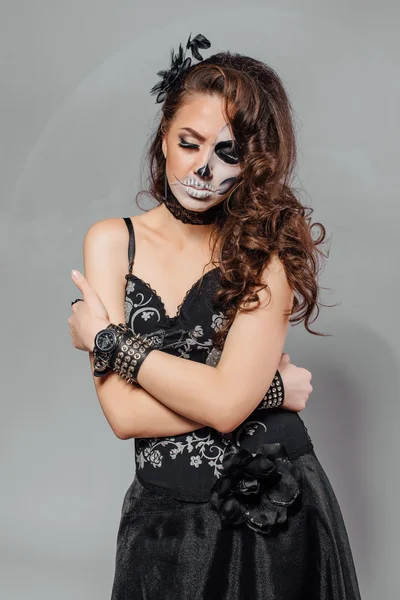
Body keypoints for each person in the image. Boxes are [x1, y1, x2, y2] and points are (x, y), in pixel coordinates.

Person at [68, 34, 362, 599]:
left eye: (228, 152)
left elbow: (228, 408)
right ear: (163, 137)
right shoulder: (111, 242)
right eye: (189, 142)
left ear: (253, 163)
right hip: (163, 521)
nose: (204, 168)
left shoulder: (264, 250)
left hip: (272, 513)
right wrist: (269, 390)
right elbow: (124, 415)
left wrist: (107, 339)